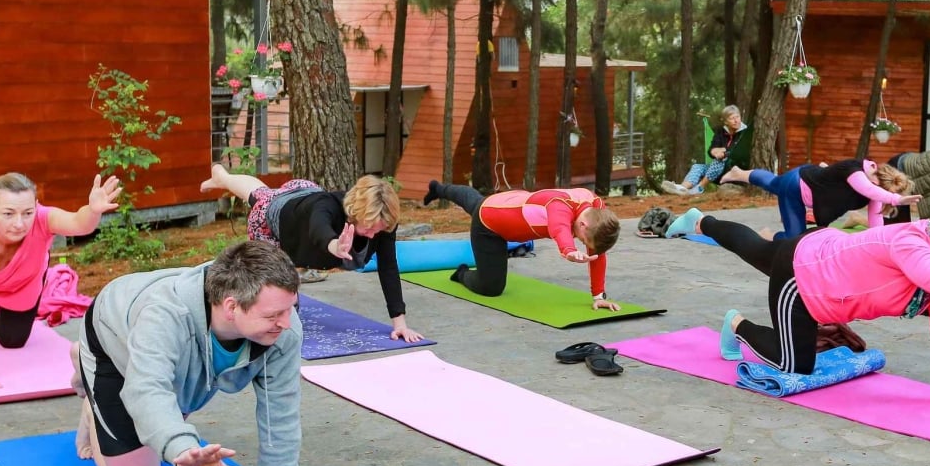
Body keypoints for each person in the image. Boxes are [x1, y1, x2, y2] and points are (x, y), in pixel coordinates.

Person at [666, 206, 930, 412]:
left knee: (755, 248)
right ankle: (737, 323)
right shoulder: (911, 245)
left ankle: (700, 220)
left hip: (820, 253)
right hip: (802, 279)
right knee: (793, 364)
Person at [71, 240, 318, 466]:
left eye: (290, 308)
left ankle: (98, 385)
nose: (286, 322)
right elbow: (147, 390)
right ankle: (88, 376)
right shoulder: (164, 316)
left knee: (182, 396)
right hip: (112, 337)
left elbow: (280, 414)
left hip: (172, 356)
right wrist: (180, 449)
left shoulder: (284, 329)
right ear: (231, 306)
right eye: (273, 315)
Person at [0, 158, 122, 396]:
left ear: (36, 206)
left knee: (13, 339)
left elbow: (79, 223)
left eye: (27, 212)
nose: (19, 223)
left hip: (21, 286)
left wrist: (92, 211)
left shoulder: (43, 218)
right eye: (8, 213)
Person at [199, 166, 424, 342]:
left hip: (302, 195)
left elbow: (388, 266)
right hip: (276, 220)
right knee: (261, 198)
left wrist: (399, 323)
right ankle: (223, 177)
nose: (375, 235)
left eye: (380, 230)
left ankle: (222, 176)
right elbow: (318, 228)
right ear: (356, 212)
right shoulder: (325, 206)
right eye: (370, 228)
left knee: (260, 191)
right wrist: (335, 246)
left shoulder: (383, 223)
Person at [423, 181, 622, 310]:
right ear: (583, 225)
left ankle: (438, 189)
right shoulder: (559, 206)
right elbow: (559, 228)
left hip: (509, 202)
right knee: (491, 288)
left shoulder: (596, 209)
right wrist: (569, 250)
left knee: (473, 200)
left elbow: (598, 253)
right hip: (489, 226)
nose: (583, 243)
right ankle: (461, 273)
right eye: (583, 240)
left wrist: (598, 295)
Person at [720, 159, 921, 238]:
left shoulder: (874, 192)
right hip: (796, 185)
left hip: (810, 195)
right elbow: (869, 189)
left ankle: (739, 172)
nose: (872, 189)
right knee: (794, 239)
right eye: (875, 185)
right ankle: (767, 235)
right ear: (876, 172)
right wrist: (897, 200)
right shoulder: (855, 170)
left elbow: (876, 227)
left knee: (773, 183)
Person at [662, 105, 748, 196]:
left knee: (719, 160)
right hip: (718, 171)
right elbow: (712, 149)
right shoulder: (721, 132)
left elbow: (738, 150)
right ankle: (682, 188)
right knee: (697, 167)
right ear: (726, 121)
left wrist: (723, 152)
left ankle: (699, 188)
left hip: (736, 168)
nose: (736, 121)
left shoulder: (745, 133)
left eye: (737, 117)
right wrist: (715, 152)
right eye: (732, 118)